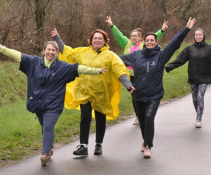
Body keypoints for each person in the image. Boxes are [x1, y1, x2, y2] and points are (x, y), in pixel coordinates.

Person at [0, 41, 107, 165]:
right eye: (48, 50)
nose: (50, 52)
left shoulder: (62, 67)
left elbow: (78, 68)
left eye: (53, 50)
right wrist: (2, 48)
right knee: (45, 128)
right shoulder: (33, 62)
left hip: (53, 105)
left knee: (48, 127)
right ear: (44, 50)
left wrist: (96, 71)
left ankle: (45, 154)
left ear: (56, 53)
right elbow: (16, 55)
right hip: (38, 104)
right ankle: (49, 148)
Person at [51, 28, 135, 157]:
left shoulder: (110, 55)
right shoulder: (83, 52)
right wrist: (57, 37)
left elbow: (120, 70)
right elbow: (67, 53)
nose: (97, 40)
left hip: (102, 94)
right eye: (95, 38)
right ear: (90, 40)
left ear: (105, 41)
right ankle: (83, 146)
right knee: (85, 117)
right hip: (84, 92)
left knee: (100, 119)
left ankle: (98, 144)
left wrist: (128, 84)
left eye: (100, 38)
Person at [119, 17, 196, 158]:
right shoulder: (136, 55)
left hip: (154, 95)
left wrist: (186, 29)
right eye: (147, 40)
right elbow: (118, 60)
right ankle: (145, 140)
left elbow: (174, 44)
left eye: (152, 40)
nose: (149, 42)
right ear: (144, 42)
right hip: (138, 94)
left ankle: (148, 146)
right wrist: (103, 57)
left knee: (149, 118)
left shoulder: (161, 56)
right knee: (142, 120)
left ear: (156, 42)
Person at [106, 15, 168, 125]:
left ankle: (141, 115)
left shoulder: (144, 44)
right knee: (134, 96)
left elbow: (155, 37)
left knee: (139, 96)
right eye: (132, 36)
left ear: (140, 38)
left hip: (140, 74)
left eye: (136, 36)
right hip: (128, 75)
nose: (134, 37)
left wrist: (162, 30)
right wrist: (111, 25)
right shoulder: (126, 43)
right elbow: (118, 35)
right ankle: (138, 116)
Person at [165, 28, 211, 128]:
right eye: (196, 35)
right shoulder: (189, 49)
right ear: (194, 36)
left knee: (200, 97)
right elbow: (180, 60)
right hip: (193, 77)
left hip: (205, 77)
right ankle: (199, 113)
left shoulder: (210, 48)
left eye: (200, 35)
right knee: (195, 99)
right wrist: (169, 66)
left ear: (203, 36)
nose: (198, 36)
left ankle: (199, 118)